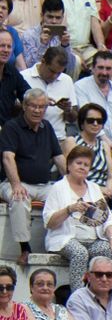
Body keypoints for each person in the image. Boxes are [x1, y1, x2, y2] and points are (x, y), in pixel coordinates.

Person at [44, 143, 112, 289]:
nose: (82, 167)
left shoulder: (94, 188)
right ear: (69, 165)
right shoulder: (58, 188)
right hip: (66, 239)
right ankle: (78, 298)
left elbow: (108, 219)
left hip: (93, 241)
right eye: (78, 163)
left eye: (86, 165)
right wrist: (69, 209)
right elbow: (49, 222)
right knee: (80, 253)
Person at [1, 88, 65, 264]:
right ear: (24, 106)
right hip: (15, 182)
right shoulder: (12, 127)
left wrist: (73, 183)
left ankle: (62, 245)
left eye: (42, 107)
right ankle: (24, 248)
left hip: (44, 185)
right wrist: (16, 184)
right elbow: (8, 157)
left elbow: (59, 158)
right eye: (33, 106)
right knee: (19, 198)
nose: (38, 110)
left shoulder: (47, 128)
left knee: (67, 198)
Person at [75, 49, 112, 147]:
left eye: (108, 68)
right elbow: (88, 120)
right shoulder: (80, 87)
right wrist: (109, 144)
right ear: (92, 68)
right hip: (93, 142)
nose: (104, 72)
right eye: (100, 68)